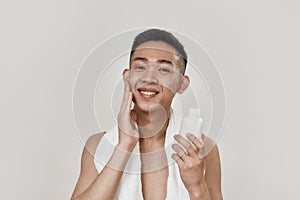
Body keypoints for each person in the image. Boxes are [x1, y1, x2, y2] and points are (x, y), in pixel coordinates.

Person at [71, 29, 223, 200]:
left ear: (182, 83)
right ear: (127, 77)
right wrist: (124, 146)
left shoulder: (201, 148)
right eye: (140, 67)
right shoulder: (98, 146)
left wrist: (197, 187)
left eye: (164, 69)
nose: (149, 78)